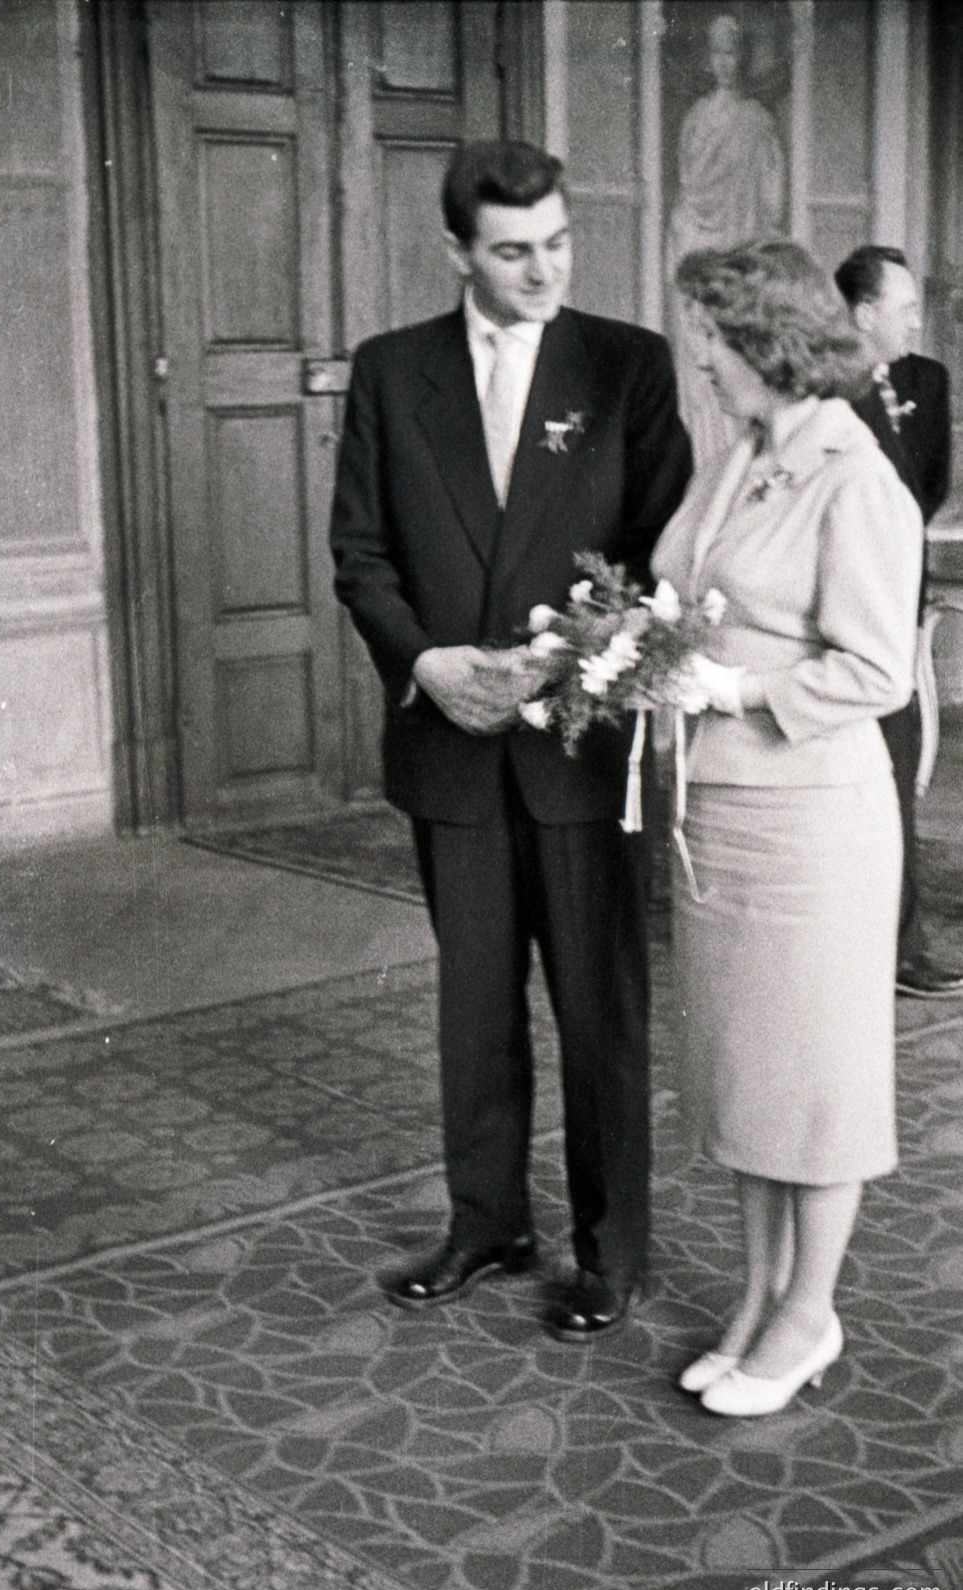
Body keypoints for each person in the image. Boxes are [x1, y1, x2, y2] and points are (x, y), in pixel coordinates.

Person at [330, 140, 691, 1341]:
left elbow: (661, 555)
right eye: (512, 251)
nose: (542, 271)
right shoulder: (391, 373)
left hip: (577, 744)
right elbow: (361, 554)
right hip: (449, 743)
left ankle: (612, 1251)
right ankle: (487, 1221)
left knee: (600, 1011)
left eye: (558, 245)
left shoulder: (627, 366)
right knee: (473, 1006)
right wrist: (429, 664)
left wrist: (561, 661)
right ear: (457, 253)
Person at [652, 240, 922, 1415]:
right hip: (719, 811)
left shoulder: (856, 477)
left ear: (766, 339)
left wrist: (735, 691)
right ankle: (758, 1301)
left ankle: (811, 1316)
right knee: (748, 1080)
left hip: (814, 826)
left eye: (711, 333)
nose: (697, 356)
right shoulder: (738, 455)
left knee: (816, 1088)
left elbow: (877, 672)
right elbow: (690, 586)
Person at [834, 245, 962, 999]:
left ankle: (900, 944)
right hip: (840, 615)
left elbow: (927, 485)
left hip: (895, 603)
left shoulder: (926, 380)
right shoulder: (823, 389)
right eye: (904, 306)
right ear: (862, 314)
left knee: (895, 778)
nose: (917, 318)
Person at [665, 12, 784, 468]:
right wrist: (685, 228)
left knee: (739, 350)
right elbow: (687, 183)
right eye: (717, 51)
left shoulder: (757, 120)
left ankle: (738, 459)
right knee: (698, 356)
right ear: (707, 58)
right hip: (695, 242)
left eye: (732, 51)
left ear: (743, 57)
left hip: (740, 248)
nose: (724, 61)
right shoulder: (695, 119)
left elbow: (770, 201)